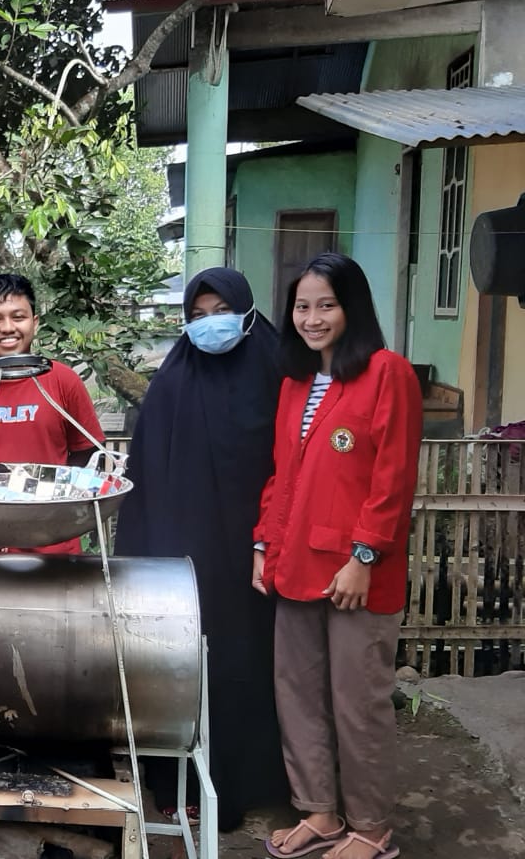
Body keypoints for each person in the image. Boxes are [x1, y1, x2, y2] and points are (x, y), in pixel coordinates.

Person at [255, 253, 421, 859]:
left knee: (358, 704)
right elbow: (282, 476)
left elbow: (393, 479)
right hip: (294, 565)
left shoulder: (387, 372)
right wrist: (264, 545)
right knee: (297, 694)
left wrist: (364, 556)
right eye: (302, 306)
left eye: (326, 304)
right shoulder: (294, 385)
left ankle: (371, 828)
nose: (313, 317)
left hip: (357, 574)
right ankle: (320, 813)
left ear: (352, 306)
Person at [115, 267, 287, 830]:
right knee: (183, 663)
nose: (210, 325)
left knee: (250, 662)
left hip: (256, 558)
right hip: (185, 558)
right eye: (197, 315)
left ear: (247, 310)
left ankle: (256, 780)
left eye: (221, 311)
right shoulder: (174, 379)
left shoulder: (278, 370)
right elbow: (147, 474)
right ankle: (178, 780)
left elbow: (293, 465)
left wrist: (270, 539)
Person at [0, 273, 106, 553]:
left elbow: (87, 457)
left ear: (35, 322)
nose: (7, 328)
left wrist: (57, 516)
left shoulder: (63, 381)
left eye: (18, 317)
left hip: (53, 549)